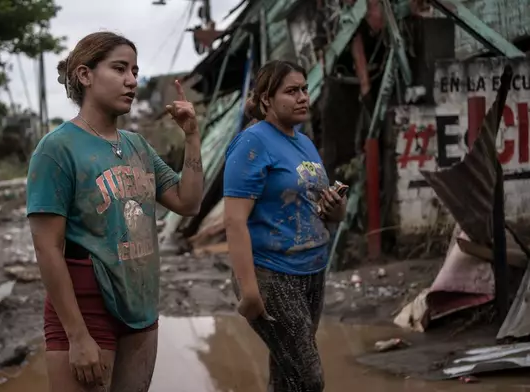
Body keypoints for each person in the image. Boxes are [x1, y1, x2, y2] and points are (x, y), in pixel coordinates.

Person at [26, 31, 203, 391]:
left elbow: (188, 203)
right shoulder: (57, 149)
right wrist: (77, 336)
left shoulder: (137, 145)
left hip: (140, 304)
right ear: (85, 75)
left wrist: (192, 137)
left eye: (135, 71)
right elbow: (47, 248)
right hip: (86, 309)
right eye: (120, 68)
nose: (132, 81)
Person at [223, 60, 346, 392]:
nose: (303, 97)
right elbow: (234, 221)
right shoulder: (252, 143)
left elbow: (318, 209)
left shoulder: (303, 142)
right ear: (266, 100)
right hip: (272, 275)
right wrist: (249, 291)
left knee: (287, 374)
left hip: (311, 270)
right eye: (292, 91)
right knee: (309, 379)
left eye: (304, 89)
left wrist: (335, 208)